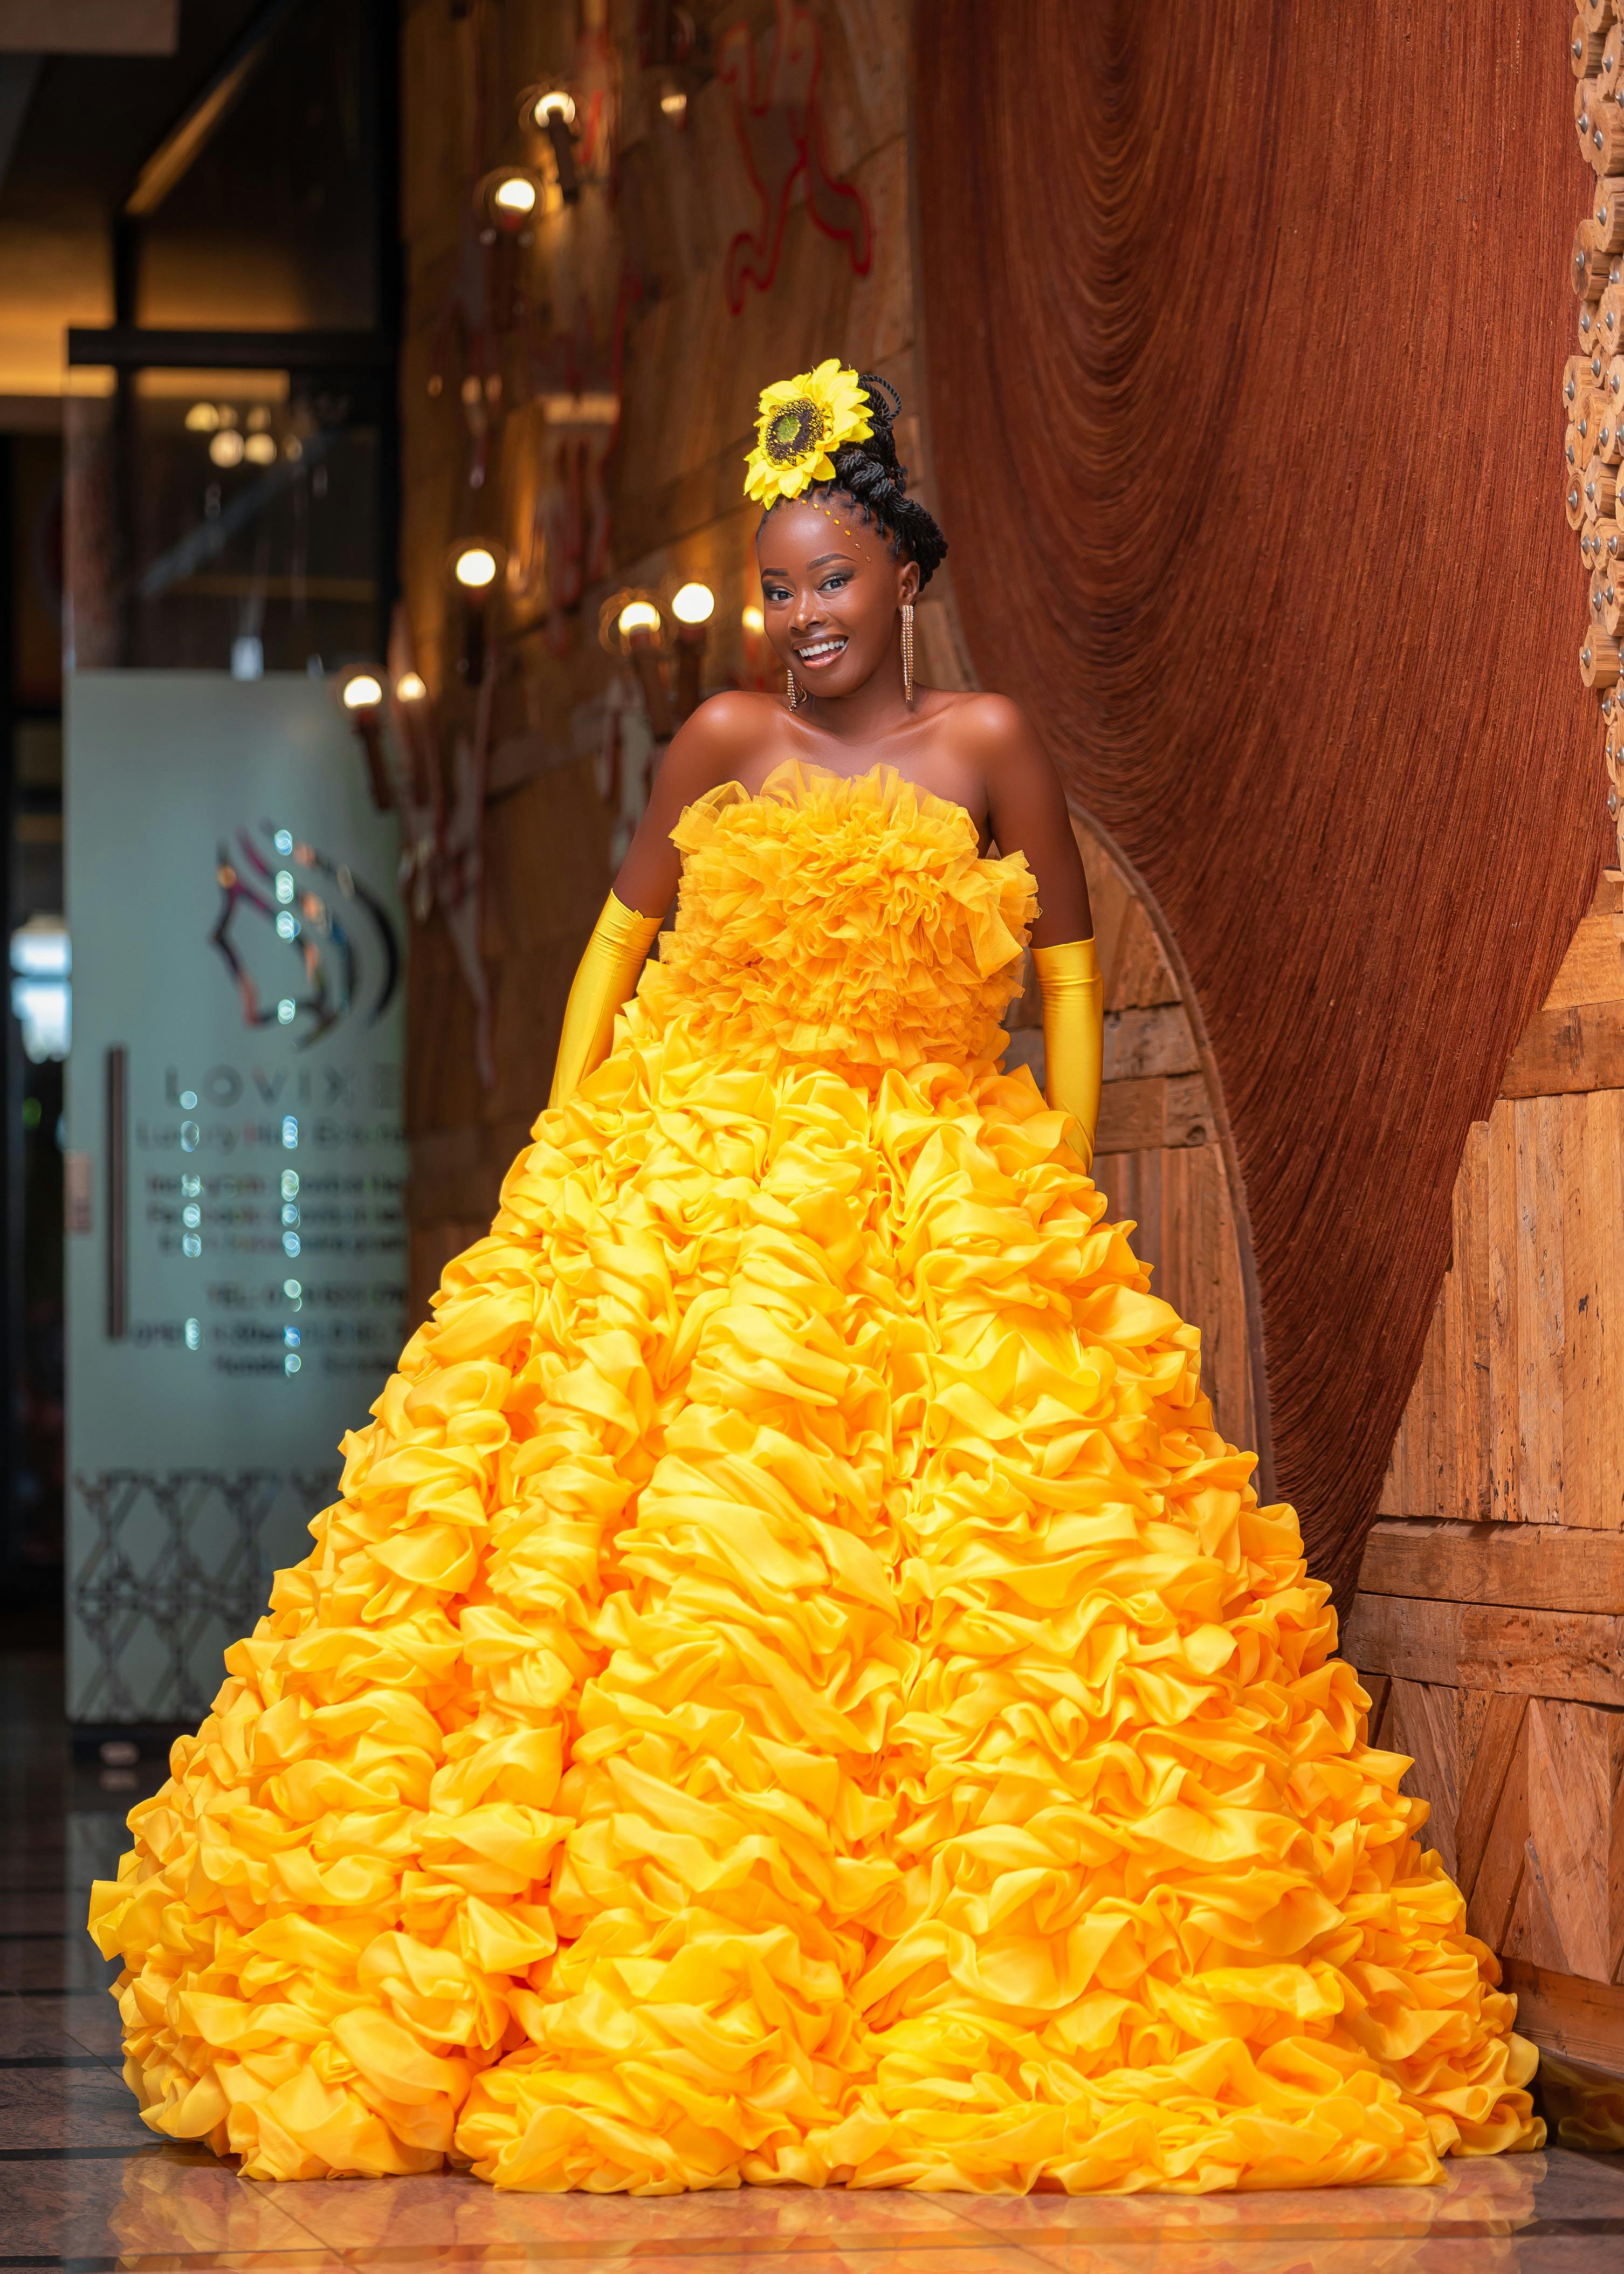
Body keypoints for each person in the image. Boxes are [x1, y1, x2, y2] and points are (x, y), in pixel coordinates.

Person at [90, 361, 1540, 2194]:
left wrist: (1054, 1166)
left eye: (830, 583)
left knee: (997, 1598)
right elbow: (618, 949)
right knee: (686, 1574)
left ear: (903, 580)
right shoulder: (719, 743)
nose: (800, 620)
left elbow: (1071, 979)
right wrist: (568, 1157)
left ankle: (932, 1968)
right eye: (776, 588)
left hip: (942, 1169)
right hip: (695, 1170)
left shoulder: (993, 742)